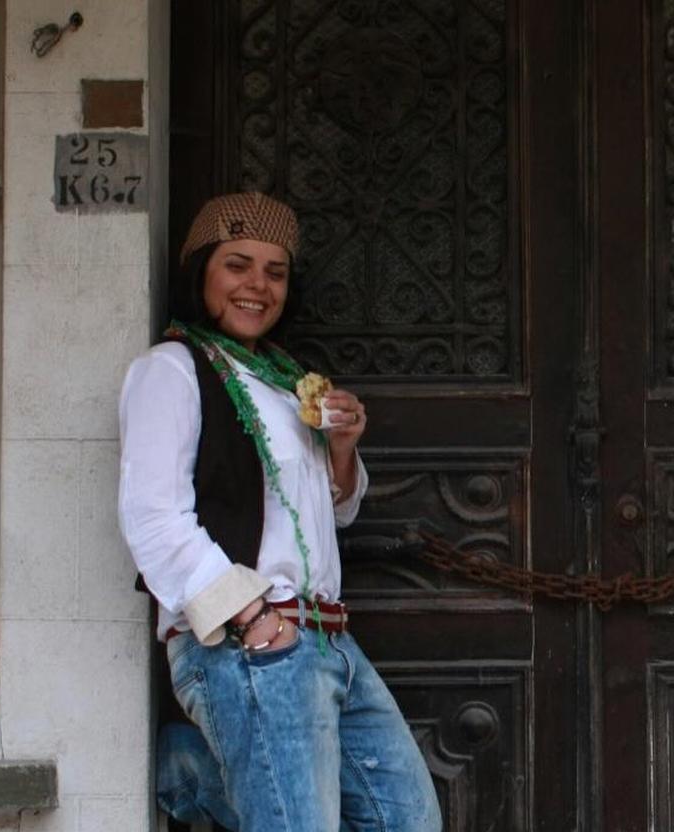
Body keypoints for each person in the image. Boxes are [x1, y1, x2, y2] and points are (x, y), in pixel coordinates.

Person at [118, 191, 442, 831]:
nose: (257, 286)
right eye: (237, 264)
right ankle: (194, 767)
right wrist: (253, 617)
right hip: (253, 642)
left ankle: (194, 768)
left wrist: (342, 452)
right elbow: (152, 515)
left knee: (407, 822)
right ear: (201, 270)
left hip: (328, 638)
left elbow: (334, 516)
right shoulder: (174, 369)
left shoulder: (283, 378)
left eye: (276, 271)